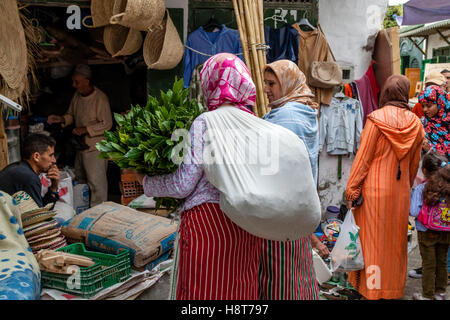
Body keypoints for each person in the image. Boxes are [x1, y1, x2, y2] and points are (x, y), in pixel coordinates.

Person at [135, 53, 263, 300]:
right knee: (238, 289)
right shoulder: (256, 123)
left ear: (212, 83)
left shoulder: (206, 122)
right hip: (247, 222)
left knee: (203, 291)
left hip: (209, 224)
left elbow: (183, 184)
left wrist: (146, 182)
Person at [345, 75, 425, 300]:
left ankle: (372, 288)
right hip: (398, 194)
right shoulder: (416, 124)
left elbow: (363, 158)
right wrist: (404, 187)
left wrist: (352, 190)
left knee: (372, 245)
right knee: (393, 246)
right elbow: (413, 165)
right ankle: (389, 290)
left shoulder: (376, 119)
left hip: (373, 193)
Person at [259, 59, 321, 300]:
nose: (266, 89)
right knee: (295, 269)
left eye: (272, 83)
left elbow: (273, 167)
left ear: (288, 84)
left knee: (281, 275)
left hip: (282, 209)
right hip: (298, 208)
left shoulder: (287, 116)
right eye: (265, 83)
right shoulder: (301, 109)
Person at [47, 64, 112, 207]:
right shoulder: (77, 96)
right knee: (81, 181)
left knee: (97, 185)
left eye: (77, 82)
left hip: (96, 148)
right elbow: (71, 114)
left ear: (87, 81)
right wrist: (62, 119)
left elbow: (107, 124)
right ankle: (83, 213)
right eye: (73, 81)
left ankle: (99, 214)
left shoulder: (100, 98)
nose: (74, 85)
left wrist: (85, 129)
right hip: (81, 146)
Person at [409, 151, 450, 300]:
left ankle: (427, 295)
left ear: (424, 170)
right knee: (442, 262)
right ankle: (440, 293)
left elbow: (413, 211)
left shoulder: (422, 188)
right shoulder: (448, 187)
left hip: (426, 231)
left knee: (428, 265)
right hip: (446, 231)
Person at [0, 133, 59, 208]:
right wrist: (53, 189)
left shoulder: (21, 168)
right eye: (50, 155)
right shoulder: (29, 177)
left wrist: (54, 187)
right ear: (36, 157)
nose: (54, 160)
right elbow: (38, 216)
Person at [418, 85, 450, 160]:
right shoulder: (423, 122)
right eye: (423, 106)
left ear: (440, 103)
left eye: (429, 106)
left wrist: (431, 149)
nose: (425, 110)